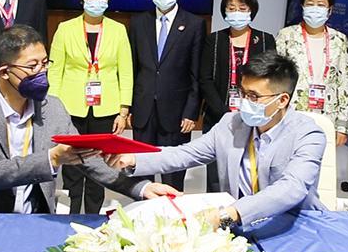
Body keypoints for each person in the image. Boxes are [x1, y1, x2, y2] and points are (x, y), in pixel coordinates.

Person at [0, 25, 176, 213]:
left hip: (36, 216)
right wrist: (52, 158)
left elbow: (88, 158)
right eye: (32, 66)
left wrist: (141, 187)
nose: (42, 72)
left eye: (45, 63)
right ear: (5, 72)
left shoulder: (52, 107)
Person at [105, 52, 327, 229]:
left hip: (292, 225)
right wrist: (133, 159)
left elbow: (291, 188)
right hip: (236, 225)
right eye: (243, 93)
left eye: (254, 96)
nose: (245, 102)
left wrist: (231, 214)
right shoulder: (232, 123)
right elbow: (186, 153)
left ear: (282, 100)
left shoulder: (308, 135)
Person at [48, 0, 133, 213]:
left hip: (106, 108)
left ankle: (94, 217)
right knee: (72, 166)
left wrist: (123, 111)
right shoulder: (65, 29)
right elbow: (55, 71)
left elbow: (126, 71)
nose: (97, 1)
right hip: (70, 107)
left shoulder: (118, 30)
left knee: (100, 163)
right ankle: (70, 214)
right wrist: (53, 108)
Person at [128, 0, 205, 190]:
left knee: (173, 177)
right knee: (142, 175)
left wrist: (191, 112)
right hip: (143, 111)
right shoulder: (138, 22)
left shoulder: (194, 24)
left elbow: (196, 72)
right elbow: (133, 68)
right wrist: (129, 107)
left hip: (176, 113)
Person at [200, 0, 276, 193]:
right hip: (218, 116)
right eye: (231, 8)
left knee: (250, 173)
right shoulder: (214, 40)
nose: (236, 13)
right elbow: (205, 79)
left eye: (242, 8)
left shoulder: (265, 40)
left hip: (255, 117)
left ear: (252, 10)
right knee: (216, 176)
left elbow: (270, 79)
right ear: (224, 11)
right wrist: (223, 112)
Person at [275, 0, 348, 147]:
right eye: (310, 4)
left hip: (327, 115)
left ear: (330, 9)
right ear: (302, 7)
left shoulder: (339, 40)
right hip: (291, 112)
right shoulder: (286, 35)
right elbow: (277, 77)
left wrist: (342, 126)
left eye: (321, 5)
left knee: (320, 159)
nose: (315, 9)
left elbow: (344, 82)